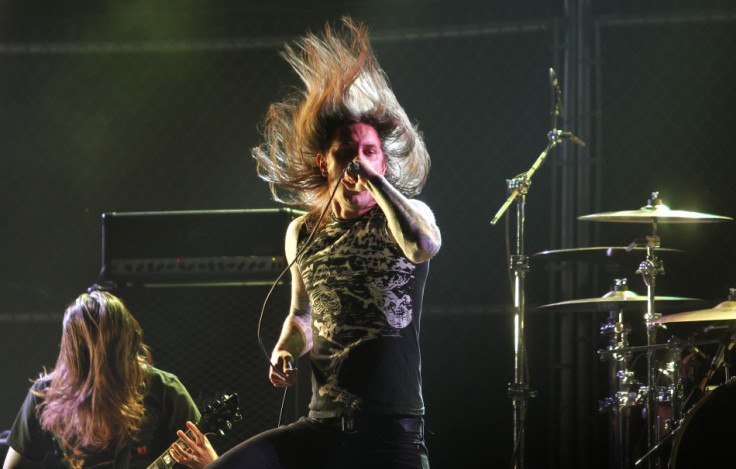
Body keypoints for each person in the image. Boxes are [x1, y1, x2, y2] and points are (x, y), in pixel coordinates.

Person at [210, 17, 441, 469]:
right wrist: (284, 348)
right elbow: (301, 316)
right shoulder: (303, 231)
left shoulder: (411, 216)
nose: (359, 162)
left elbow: (422, 247)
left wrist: (376, 183)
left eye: (370, 152)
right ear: (325, 162)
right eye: (347, 153)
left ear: (383, 162)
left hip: (391, 430)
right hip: (322, 425)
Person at [2, 290, 218, 469]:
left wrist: (211, 463)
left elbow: (208, 459)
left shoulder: (162, 390)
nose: (100, 355)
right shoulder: (47, 392)